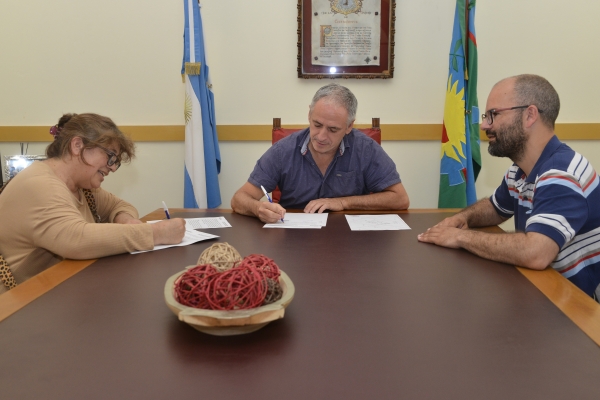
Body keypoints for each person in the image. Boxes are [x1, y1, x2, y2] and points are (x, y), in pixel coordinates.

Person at [418, 74, 600, 300]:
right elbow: (495, 208)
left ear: (529, 115)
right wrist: (462, 219)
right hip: (542, 292)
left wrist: (460, 237)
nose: (484, 125)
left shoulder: (560, 173)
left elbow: (536, 252)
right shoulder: (521, 169)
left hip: (575, 309)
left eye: (493, 114)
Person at [0, 113, 185, 293]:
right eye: (111, 156)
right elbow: (76, 239)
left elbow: (119, 206)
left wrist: (126, 220)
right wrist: (155, 233)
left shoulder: (80, 187)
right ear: (77, 145)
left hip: (52, 293)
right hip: (14, 308)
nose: (112, 167)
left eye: (116, 161)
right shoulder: (40, 184)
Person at [231, 83, 410, 223]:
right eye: (317, 125)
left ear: (349, 126)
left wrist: (343, 202)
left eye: (333, 129)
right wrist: (257, 209)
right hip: (293, 242)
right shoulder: (283, 151)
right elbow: (239, 199)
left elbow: (400, 199)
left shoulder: (366, 149)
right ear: (309, 115)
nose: (321, 136)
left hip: (351, 242)